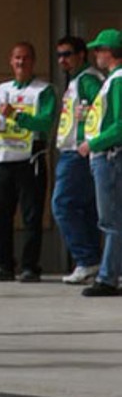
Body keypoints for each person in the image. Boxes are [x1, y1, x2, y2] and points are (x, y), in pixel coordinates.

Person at [0, 43, 54, 282]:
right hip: (3, 159)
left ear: (33, 61)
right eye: (16, 58)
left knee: (31, 217)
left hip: (29, 159)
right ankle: (3, 265)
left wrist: (17, 114)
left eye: (25, 58)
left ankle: (29, 267)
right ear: (10, 61)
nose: (21, 62)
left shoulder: (43, 90)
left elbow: (45, 123)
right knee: (1, 216)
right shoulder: (2, 89)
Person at [50, 35, 102, 284]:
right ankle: (92, 260)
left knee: (62, 204)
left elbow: (101, 106)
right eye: (59, 55)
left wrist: (85, 138)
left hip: (77, 152)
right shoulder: (77, 80)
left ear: (81, 55)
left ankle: (85, 258)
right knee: (86, 208)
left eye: (67, 54)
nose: (63, 60)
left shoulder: (87, 79)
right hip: (79, 150)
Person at [80, 30, 122, 298]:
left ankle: (107, 277)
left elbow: (120, 125)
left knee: (111, 219)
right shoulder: (111, 81)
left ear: (112, 51)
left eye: (100, 50)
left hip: (109, 157)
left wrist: (92, 144)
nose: (96, 54)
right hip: (108, 156)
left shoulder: (117, 81)